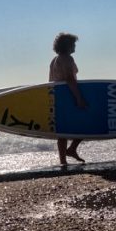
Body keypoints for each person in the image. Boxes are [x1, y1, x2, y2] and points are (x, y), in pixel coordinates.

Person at [50, 32, 87, 165]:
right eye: (73, 44)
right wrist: (79, 98)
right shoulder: (67, 58)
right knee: (85, 123)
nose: (75, 46)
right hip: (68, 96)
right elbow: (70, 79)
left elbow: (51, 82)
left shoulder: (54, 60)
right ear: (68, 45)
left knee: (62, 131)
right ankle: (72, 149)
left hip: (58, 98)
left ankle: (63, 162)